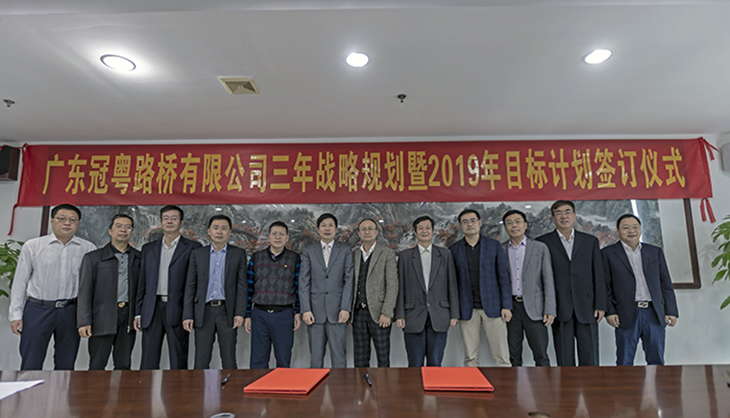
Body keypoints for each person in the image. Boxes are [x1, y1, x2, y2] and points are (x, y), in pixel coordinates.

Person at [9, 203, 96, 370]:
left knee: (66, 363)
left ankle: (61, 389)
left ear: (78, 223)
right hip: (38, 310)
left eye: (72, 220)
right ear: (52, 221)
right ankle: (29, 388)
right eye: (62, 219)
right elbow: (20, 282)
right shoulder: (33, 246)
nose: (67, 223)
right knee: (31, 362)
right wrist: (15, 315)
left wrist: (87, 317)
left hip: (70, 311)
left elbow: (90, 286)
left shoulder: (88, 248)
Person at [536, 200, 606, 366]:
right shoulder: (542, 242)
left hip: (587, 306)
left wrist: (601, 304)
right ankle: (566, 385)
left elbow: (598, 274)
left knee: (590, 357)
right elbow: (540, 278)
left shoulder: (590, 241)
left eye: (567, 212)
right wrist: (546, 307)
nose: (564, 216)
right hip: (560, 307)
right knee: (564, 358)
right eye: (559, 213)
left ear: (574, 216)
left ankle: (590, 384)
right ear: (553, 218)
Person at [602, 214, 679, 365]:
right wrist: (610, 312)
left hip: (654, 313)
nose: (631, 231)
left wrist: (671, 310)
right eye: (626, 228)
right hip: (626, 313)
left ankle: (656, 382)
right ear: (618, 231)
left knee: (656, 360)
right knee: (624, 360)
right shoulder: (607, 254)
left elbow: (665, 283)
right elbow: (605, 286)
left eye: (635, 227)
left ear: (640, 229)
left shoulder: (654, 252)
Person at [134, 205, 201, 370]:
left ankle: (179, 388)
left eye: (174, 218)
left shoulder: (193, 248)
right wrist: (138, 312)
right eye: (166, 218)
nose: (169, 221)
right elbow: (142, 283)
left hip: (177, 309)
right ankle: (146, 388)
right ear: (161, 222)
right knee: (148, 361)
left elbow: (195, 283)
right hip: (152, 309)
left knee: (178, 360)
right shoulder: (148, 249)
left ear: (181, 223)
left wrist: (189, 312)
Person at [449, 208, 512, 367]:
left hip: (494, 307)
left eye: (472, 221)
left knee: (502, 357)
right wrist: (454, 311)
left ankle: (506, 383)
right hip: (467, 309)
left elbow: (503, 277)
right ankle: (472, 382)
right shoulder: (454, 249)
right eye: (465, 222)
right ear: (461, 226)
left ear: (479, 223)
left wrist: (506, 305)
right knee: (470, 357)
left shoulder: (493, 245)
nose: (469, 224)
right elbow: (452, 283)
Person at [183, 215, 247, 369]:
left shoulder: (238, 254)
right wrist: (187, 314)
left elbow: (242, 286)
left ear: (229, 232)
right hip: (203, 312)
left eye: (224, 228)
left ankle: (230, 385)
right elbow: (190, 286)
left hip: (227, 312)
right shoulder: (198, 254)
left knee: (229, 359)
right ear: (209, 231)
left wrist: (240, 313)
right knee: (201, 360)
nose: (219, 232)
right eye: (216, 228)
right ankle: (200, 386)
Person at [77, 214, 141, 370]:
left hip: (127, 317)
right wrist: (84, 321)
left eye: (128, 227)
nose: (123, 230)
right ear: (110, 231)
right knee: (97, 365)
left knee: (124, 365)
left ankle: (122, 388)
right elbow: (85, 292)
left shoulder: (138, 258)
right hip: (102, 317)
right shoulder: (93, 258)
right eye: (118, 226)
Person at [395, 215, 459, 367]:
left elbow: (452, 285)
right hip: (412, 315)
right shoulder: (405, 256)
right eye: (421, 228)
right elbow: (400, 286)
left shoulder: (445, 254)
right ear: (415, 232)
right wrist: (400, 314)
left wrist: (454, 314)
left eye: (427, 228)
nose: (424, 231)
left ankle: (433, 384)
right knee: (414, 363)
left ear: (432, 231)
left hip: (439, 314)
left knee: (435, 363)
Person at [501, 209, 556, 367]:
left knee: (541, 355)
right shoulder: (501, 249)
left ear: (525, 225)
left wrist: (550, 309)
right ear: (505, 227)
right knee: (513, 355)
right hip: (511, 309)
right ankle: (514, 383)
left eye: (517, 222)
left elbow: (548, 280)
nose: (514, 226)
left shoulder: (539, 248)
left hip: (535, 309)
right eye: (509, 223)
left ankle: (544, 383)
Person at [299, 213, 354, 368]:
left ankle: (340, 384)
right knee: (316, 359)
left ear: (336, 229)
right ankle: (316, 385)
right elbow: (304, 282)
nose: (327, 229)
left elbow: (349, 281)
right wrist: (306, 310)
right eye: (323, 225)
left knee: (339, 357)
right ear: (318, 229)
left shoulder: (345, 250)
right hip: (314, 313)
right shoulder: (309, 251)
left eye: (331, 225)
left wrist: (345, 308)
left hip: (338, 312)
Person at [244, 221, 301, 369]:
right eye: (274, 234)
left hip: (284, 314)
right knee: (258, 360)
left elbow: (298, 287)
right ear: (268, 237)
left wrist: (297, 312)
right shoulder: (256, 257)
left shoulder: (294, 258)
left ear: (287, 238)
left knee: (283, 359)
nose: (278, 237)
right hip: (259, 314)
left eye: (281, 234)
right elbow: (249, 287)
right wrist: (247, 314)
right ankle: (258, 384)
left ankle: (282, 385)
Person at [351, 218, 398, 368]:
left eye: (370, 228)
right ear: (359, 233)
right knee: (360, 358)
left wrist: (387, 312)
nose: (367, 232)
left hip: (380, 313)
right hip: (358, 313)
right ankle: (361, 383)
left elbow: (392, 285)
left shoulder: (387, 253)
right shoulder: (353, 254)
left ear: (376, 232)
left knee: (383, 358)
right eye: (363, 229)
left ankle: (384, 384)